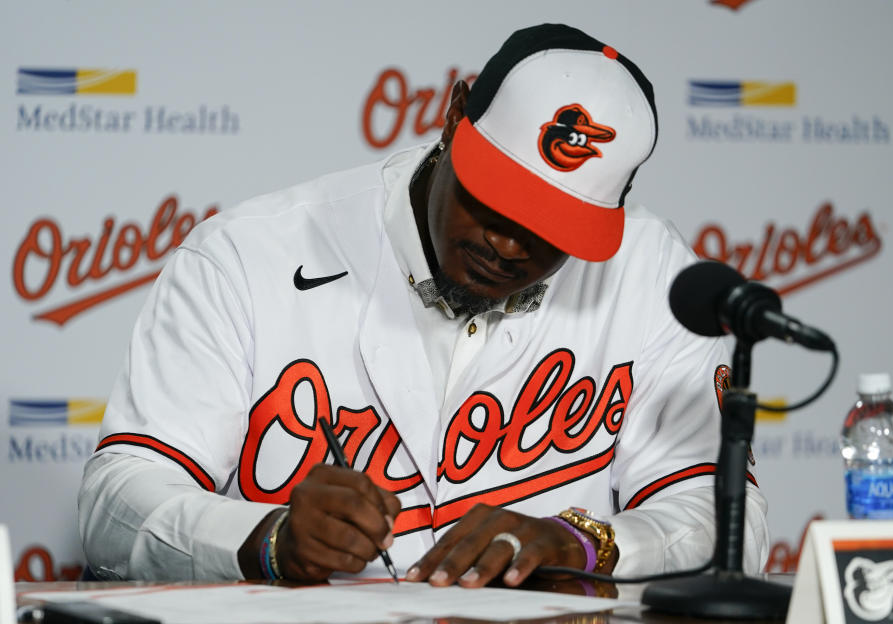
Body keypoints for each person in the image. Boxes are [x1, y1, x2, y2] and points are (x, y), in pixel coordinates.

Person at [79, 23, 769, 587]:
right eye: (496, 198)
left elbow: (729, 524)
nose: (506, 242)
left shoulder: (656, 275)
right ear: (453, 115)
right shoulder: (247, 255)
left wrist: (580, 542)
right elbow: (116, 502)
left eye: (551, 228)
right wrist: (266, 537)